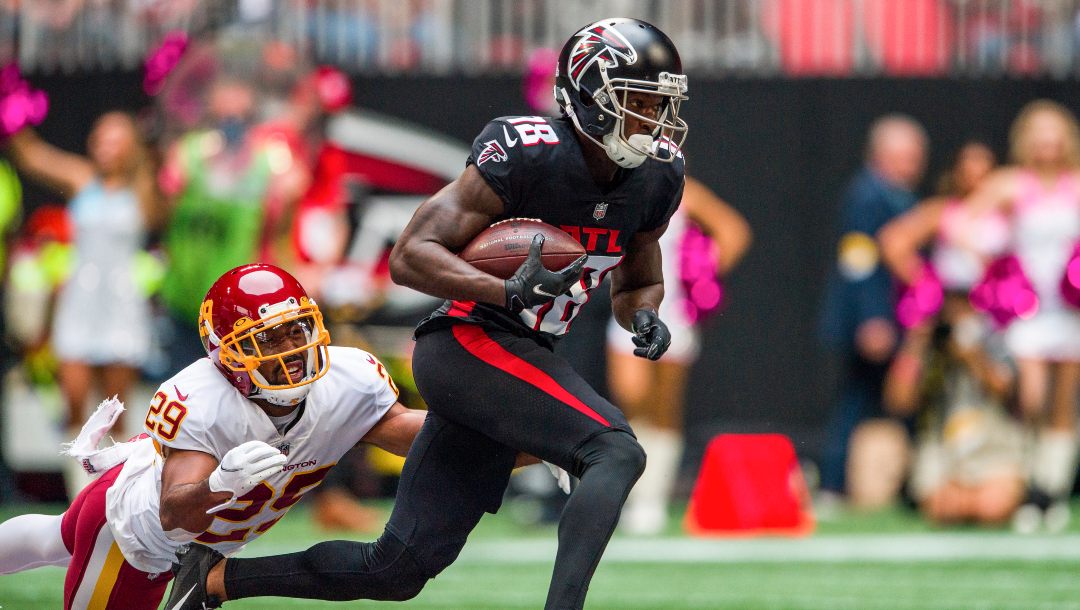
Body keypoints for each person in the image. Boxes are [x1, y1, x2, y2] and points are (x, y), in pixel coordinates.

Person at [165, 17, 688, 610]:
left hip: (521, 352)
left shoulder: (655, 179)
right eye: (640, 103)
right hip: (468, 340)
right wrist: (507, 290)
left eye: (661, 106)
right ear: (589, 95)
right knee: (615, 449)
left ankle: (210, 582)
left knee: (395, 570)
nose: (654, 122)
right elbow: (410, 255)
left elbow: (638, 280)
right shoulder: (531, 154)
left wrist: (642, 315)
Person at [0, 263, 428, 609]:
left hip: (187, 532)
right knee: (55, 540)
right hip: (138, 538)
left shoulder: (349, 378)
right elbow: (174, 515)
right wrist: (218, 487)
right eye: (267, 339)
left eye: (296, 329)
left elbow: (406, 431)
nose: (291, 350)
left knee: (53, 538)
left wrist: (479, 427)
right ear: (228, 354)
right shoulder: (204, 400)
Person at [5, 110, 165, 496]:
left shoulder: (144, 189)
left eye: (116, 140)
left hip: (122, 305)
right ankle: (80, 494)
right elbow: (31, 155)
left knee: (115, 408)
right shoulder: (81, 179)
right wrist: (12, 114)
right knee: (75, 403)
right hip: (81, 301)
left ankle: (118, 492)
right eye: (101, 139)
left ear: (131, 147)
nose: (106, 147)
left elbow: (160, 216)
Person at [608, 175, 751, 534]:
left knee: (664, 408)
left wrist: (703, 276)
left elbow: (733, 230)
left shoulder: (682, 188)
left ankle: (651, 498)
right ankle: (629, 490)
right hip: (629, 305)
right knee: (629, 397)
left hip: (674, 311)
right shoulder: (616, 185)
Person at [963, 100, 1080, 530]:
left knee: (1063, 404)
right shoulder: (1011, 184)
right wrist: (988, 264)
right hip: (1028, 308)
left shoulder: (1076, 184)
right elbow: (962, 223)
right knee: (1029, 396)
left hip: (1070, 309)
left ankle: (1053, 490)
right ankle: (1029, 481)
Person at [817, 114, 928, 505]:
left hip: (894, 316)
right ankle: (832, 484)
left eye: (915, 157)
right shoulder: (868, 194)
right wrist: (871, 318)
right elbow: (858, 258)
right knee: (855, 400)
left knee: (888, 399)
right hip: (872, 320)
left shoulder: (897, 194)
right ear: (880, 155)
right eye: (903, 157)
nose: (911, 166)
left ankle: (906, 482)